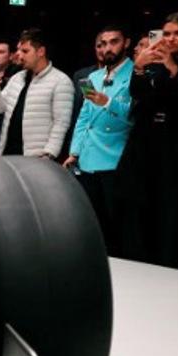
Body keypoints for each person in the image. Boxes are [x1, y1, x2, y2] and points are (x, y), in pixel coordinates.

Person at [115, 12, 178, 268]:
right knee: (138, 212)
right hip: (145, 147)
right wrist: (138, 67)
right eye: (166, 33)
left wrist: (172, 67)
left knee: (170, 214)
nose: (170, 39)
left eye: (177, 33)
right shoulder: (153, 65)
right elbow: (139, 97)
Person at [64, 25, 135, 251]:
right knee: (92, 225)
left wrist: (107, 102)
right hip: (87, 158)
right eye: (102, 44)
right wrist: (74, 151)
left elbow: (133, 119)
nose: (107, 48)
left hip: (116, 158)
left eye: (114, 42)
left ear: (127, 43)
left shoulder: (137, 74)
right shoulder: (90, 77)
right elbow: (84, 117)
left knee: (116, 227)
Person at [0, 28, 74, 159]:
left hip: (36, 159)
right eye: (18, 50)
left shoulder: (61, 81)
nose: (19, 55)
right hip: (7, 154)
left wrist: (48, 154)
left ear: (40, 52)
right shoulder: (17, 78)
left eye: (25, 51)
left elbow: (61, 124)